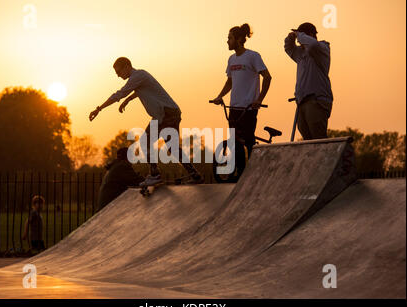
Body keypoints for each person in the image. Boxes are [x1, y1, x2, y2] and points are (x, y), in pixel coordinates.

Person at [89, 57, 203, 186]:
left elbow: (119, 94)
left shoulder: (137, 76)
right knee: (172, 147)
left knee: (145, 142)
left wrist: (99, 108)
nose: (118, 76)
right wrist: (129, 100)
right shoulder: (140, 77)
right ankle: (195, 175)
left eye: (119, 72)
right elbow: (140, 91)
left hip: (165, 114)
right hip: (170, 112)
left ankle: (155, 174)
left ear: (127, 66)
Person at [211, 23, 272, 157]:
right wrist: (219, 96)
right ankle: (240, 173)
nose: (227, 41)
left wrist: (259, 100)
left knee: (248, 142)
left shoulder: (253, 56)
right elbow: (230, 81)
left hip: (249, 108)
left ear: (239, 39)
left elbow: (267, 77)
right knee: (235, 143)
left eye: (230, 38)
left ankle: (252, 171)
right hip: (234, 107)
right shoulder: (231, 59)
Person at [284, 22, 333, 140]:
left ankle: (324, 159)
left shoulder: (322, 47)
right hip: (302, 101)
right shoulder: (301, 53)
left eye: (301, 35)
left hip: (316, 100)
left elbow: (312, 45)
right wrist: (290, 38)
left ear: (310, 34)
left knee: (318, 139)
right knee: (308, 142)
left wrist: (299, 35)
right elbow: (288, 48)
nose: (299, 39)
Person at [97, 147, 144, 211]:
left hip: (105, 206)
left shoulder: (115, 167)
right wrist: (149, 180)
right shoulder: (122, 166)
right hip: (108, 208)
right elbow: (137, 181)